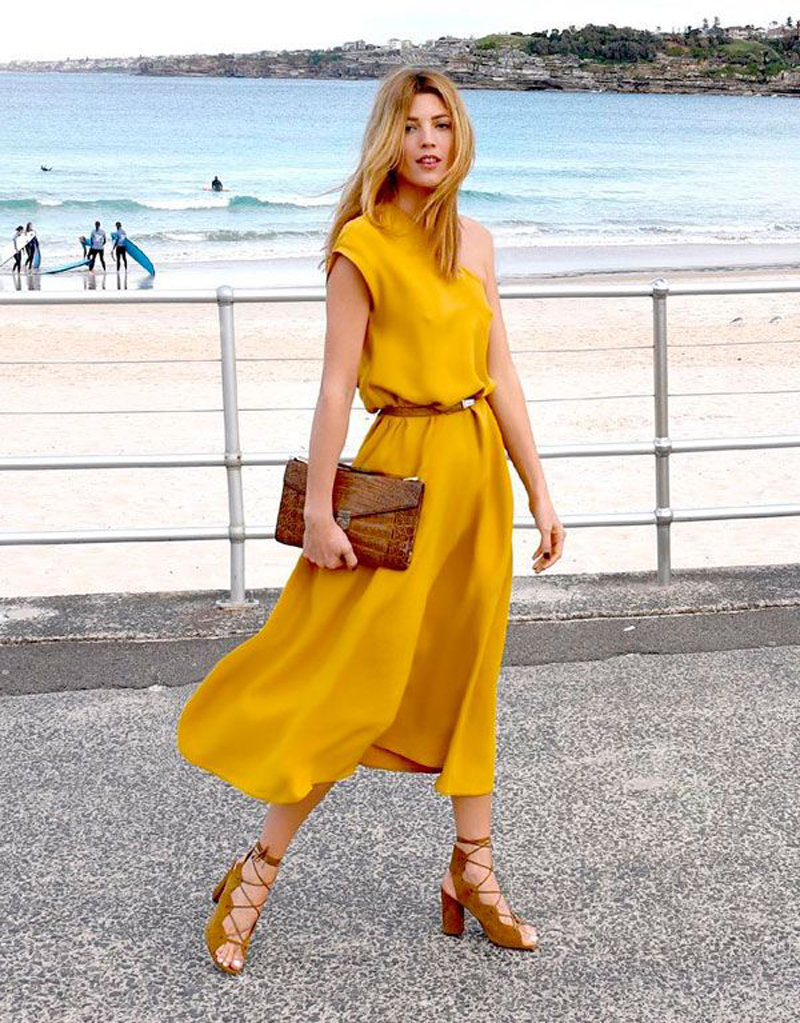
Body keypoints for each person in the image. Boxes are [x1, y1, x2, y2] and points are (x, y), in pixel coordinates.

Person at [177, 68, 565, 976]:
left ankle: (474, 869)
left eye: (442, 124)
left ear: (459, 137)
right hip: (402, 475)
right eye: (412, 125)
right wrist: (318, 509)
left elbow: (502, 373)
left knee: (470, 671)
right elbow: (333, 386)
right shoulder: (362, 243)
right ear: (389, 139)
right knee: (354, 679)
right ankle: (255, 872)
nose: (428, 140)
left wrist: (539, 489)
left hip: (477, 477)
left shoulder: (477, 242)